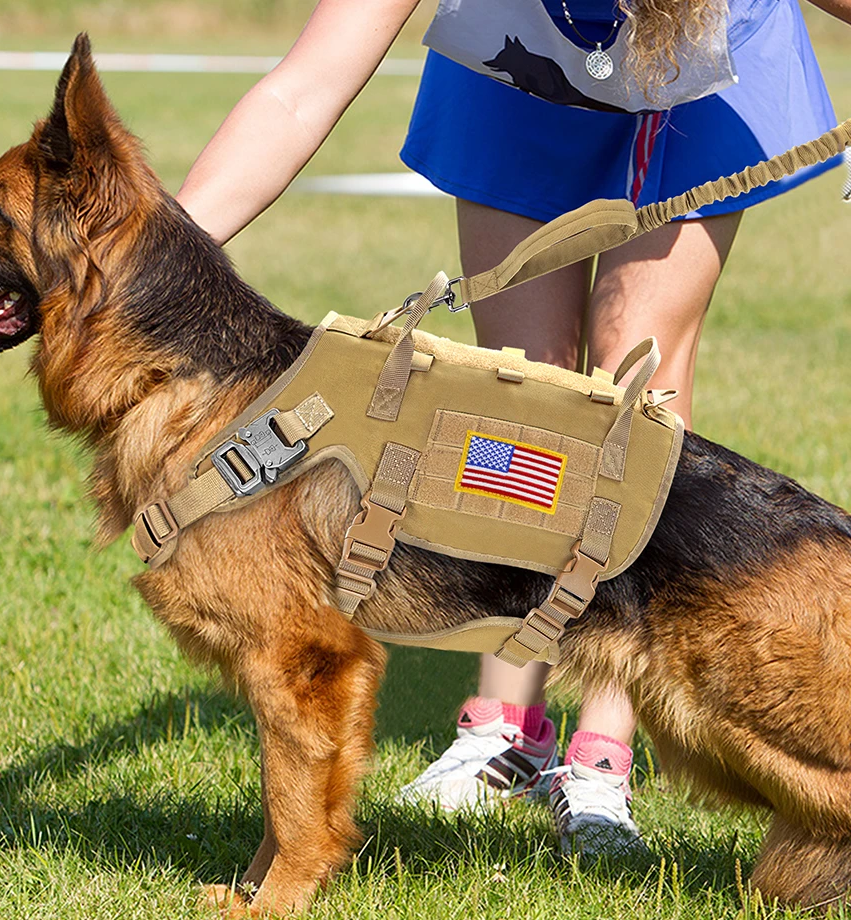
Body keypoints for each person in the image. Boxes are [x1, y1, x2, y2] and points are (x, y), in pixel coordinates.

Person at [176, 0, 846, 854]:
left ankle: (601, 756)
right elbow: (301, 89)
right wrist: (161, 253)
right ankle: (505, 725)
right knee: (518, 395)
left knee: (634, 370)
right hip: (519, 66)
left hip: (693, 63)